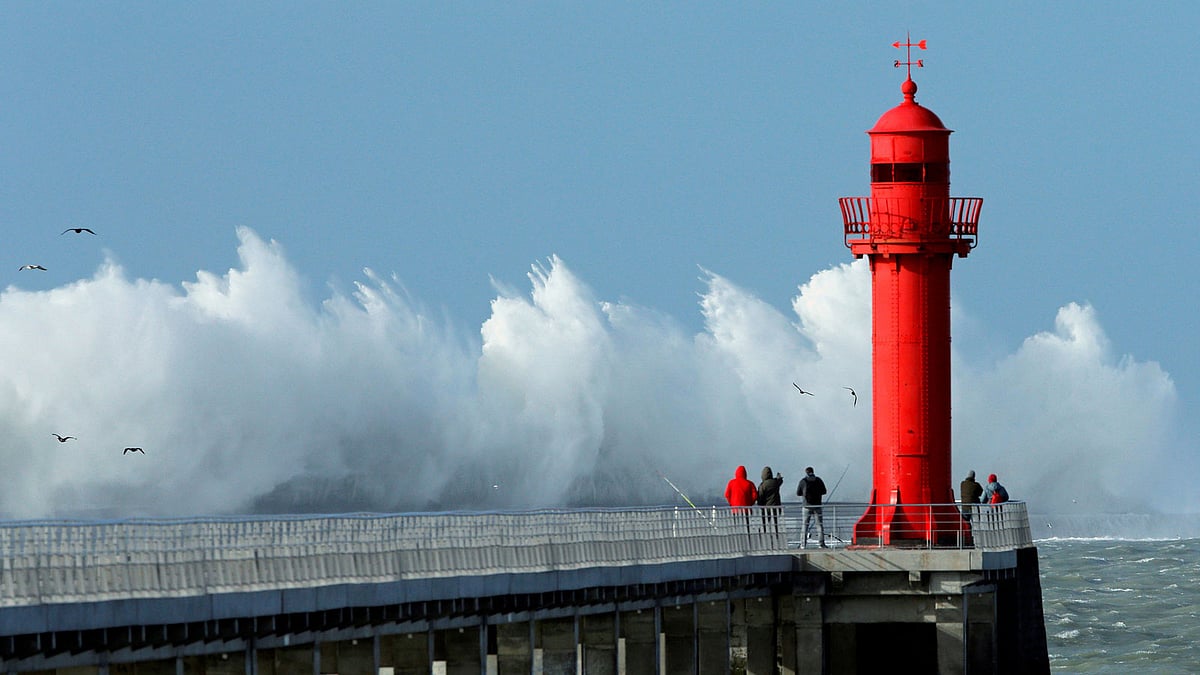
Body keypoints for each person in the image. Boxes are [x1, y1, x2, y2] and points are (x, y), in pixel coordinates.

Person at [796, 466, 827, 548]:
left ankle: (803, 545)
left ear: (806, 472)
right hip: (817, 506)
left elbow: (798, 493)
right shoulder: (819, 480)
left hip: (806, 506)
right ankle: (821, 544)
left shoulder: (803, 481)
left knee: (805, 525)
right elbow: (824, 491)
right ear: (813, 471)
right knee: (819, 525)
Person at [724, 466, 758, 530]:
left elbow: (727, 495)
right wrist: (750, 504)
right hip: (746, 509)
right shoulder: (750, 484)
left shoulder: (731, 483)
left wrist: (731, 503)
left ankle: (736, 536)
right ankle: (748, 537)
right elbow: (755, 496)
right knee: (746, 526)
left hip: (735, 509)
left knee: (736, 526)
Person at [756, 466, 784, 535]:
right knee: (775, 523)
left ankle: (762, 535)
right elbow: (780, 481)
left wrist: (760, 505)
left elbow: (760, 497)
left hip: (766, 508)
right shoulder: (775, 482)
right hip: (776, 507)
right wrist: (779, 477)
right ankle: (776, 536)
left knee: (764, 522)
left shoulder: (762, 485)